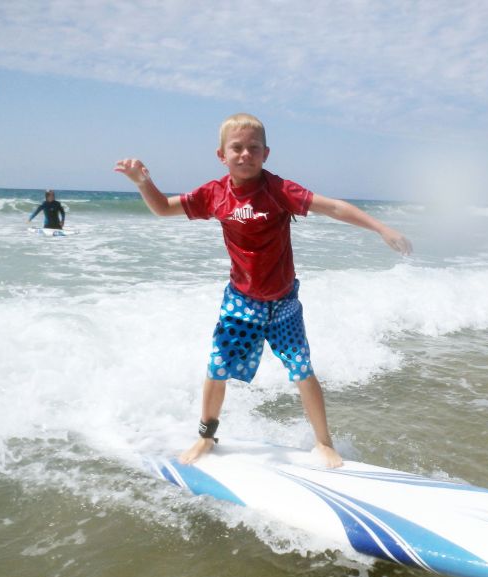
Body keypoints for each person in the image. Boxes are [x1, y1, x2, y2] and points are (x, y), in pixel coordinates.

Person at [114, 113, 412, 469]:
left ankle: (323, 443)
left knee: (303, 371)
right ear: (221, 155)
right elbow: (163, 209)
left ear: (266, 153)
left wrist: (381, 229)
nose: (245, 154)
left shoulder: (279, 190)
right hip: (241, 303)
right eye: (236, 148)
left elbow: (333, 207)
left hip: (284, 304)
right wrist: (142, 182)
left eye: (253, 148)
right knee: (217, 369)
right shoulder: (215, 194)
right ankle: (206, 437)